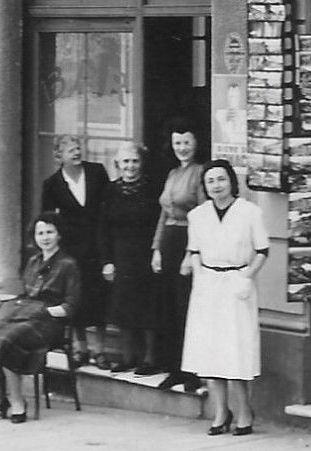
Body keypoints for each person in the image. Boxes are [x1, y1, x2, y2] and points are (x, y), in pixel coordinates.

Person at [179, 159, 269, 434]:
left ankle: (244, 413)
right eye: (211, 181)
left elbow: (263, 250)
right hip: (208, 284)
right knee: (210, 351)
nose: (216, 186)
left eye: (221, 179)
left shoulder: (249, 212)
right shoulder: (198, 215)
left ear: (231, 181)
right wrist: (199, 275)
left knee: (237, 350)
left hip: (237, 282)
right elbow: (194, 250)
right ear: (204, 186)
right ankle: (220, 412)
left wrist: (246, 277)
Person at [0, 212, 82, 424]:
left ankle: (17, 401)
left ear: (59, 235)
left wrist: (46, 312)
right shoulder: (33, 261)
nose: (45, 237)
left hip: (49, 321)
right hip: (24, 313)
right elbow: (26, 293)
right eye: (41, 233)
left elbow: (71, 305)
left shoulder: (68, 264)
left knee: (7, 341)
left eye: (50, 232)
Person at [39, 134, 109, 366]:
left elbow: (109, 206)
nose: (77, 153)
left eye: (78, 148)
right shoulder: (52, 184)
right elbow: (47, 219)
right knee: (75, 299)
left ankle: (100, 350)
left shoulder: (97, 172)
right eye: (71, 150)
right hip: (72, 250)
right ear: (60, 156)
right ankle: (81, 348)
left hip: (98, 246)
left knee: (99, 299)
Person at [150, 120, 206, 389]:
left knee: (186, 309)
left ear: (196, 143)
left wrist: (190, 254)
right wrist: (157, 249)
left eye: (186, 142)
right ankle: (174, 368)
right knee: (168, 309)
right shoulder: (172, 173)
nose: (182, 148)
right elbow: (164, 212)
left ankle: (192, 373)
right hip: (169, 242)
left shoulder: (200, 173)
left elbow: (201, 216)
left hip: (188, 240)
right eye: (177, 143)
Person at [98, 142, 159, 372]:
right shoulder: (111, 191)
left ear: (141, 163)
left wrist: (157, 252)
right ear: (117, 165)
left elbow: (158, 223)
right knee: (123, 307)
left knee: (148, 307)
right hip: (120, 255)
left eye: (134, 161)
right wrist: (107, 261)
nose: (130, 166)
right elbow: (102, 228)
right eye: (125, 162)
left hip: (146, 254)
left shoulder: (152, 189)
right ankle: (128, 357)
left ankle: (150, 359)